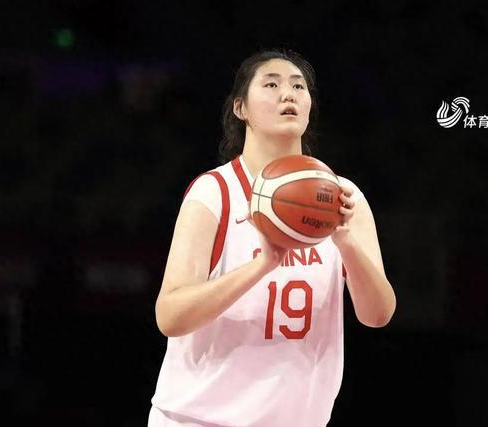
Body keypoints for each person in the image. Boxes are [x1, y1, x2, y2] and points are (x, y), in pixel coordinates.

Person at [149, 49, 396, 427]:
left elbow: (378, 315)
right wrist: (262, 264)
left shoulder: (343, 199)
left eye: (299, 86)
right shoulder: (215, 192)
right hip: (198, 420)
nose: (288, 94)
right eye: (271, 84)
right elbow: (170, 316)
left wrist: (346, 244)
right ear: (240, 108)